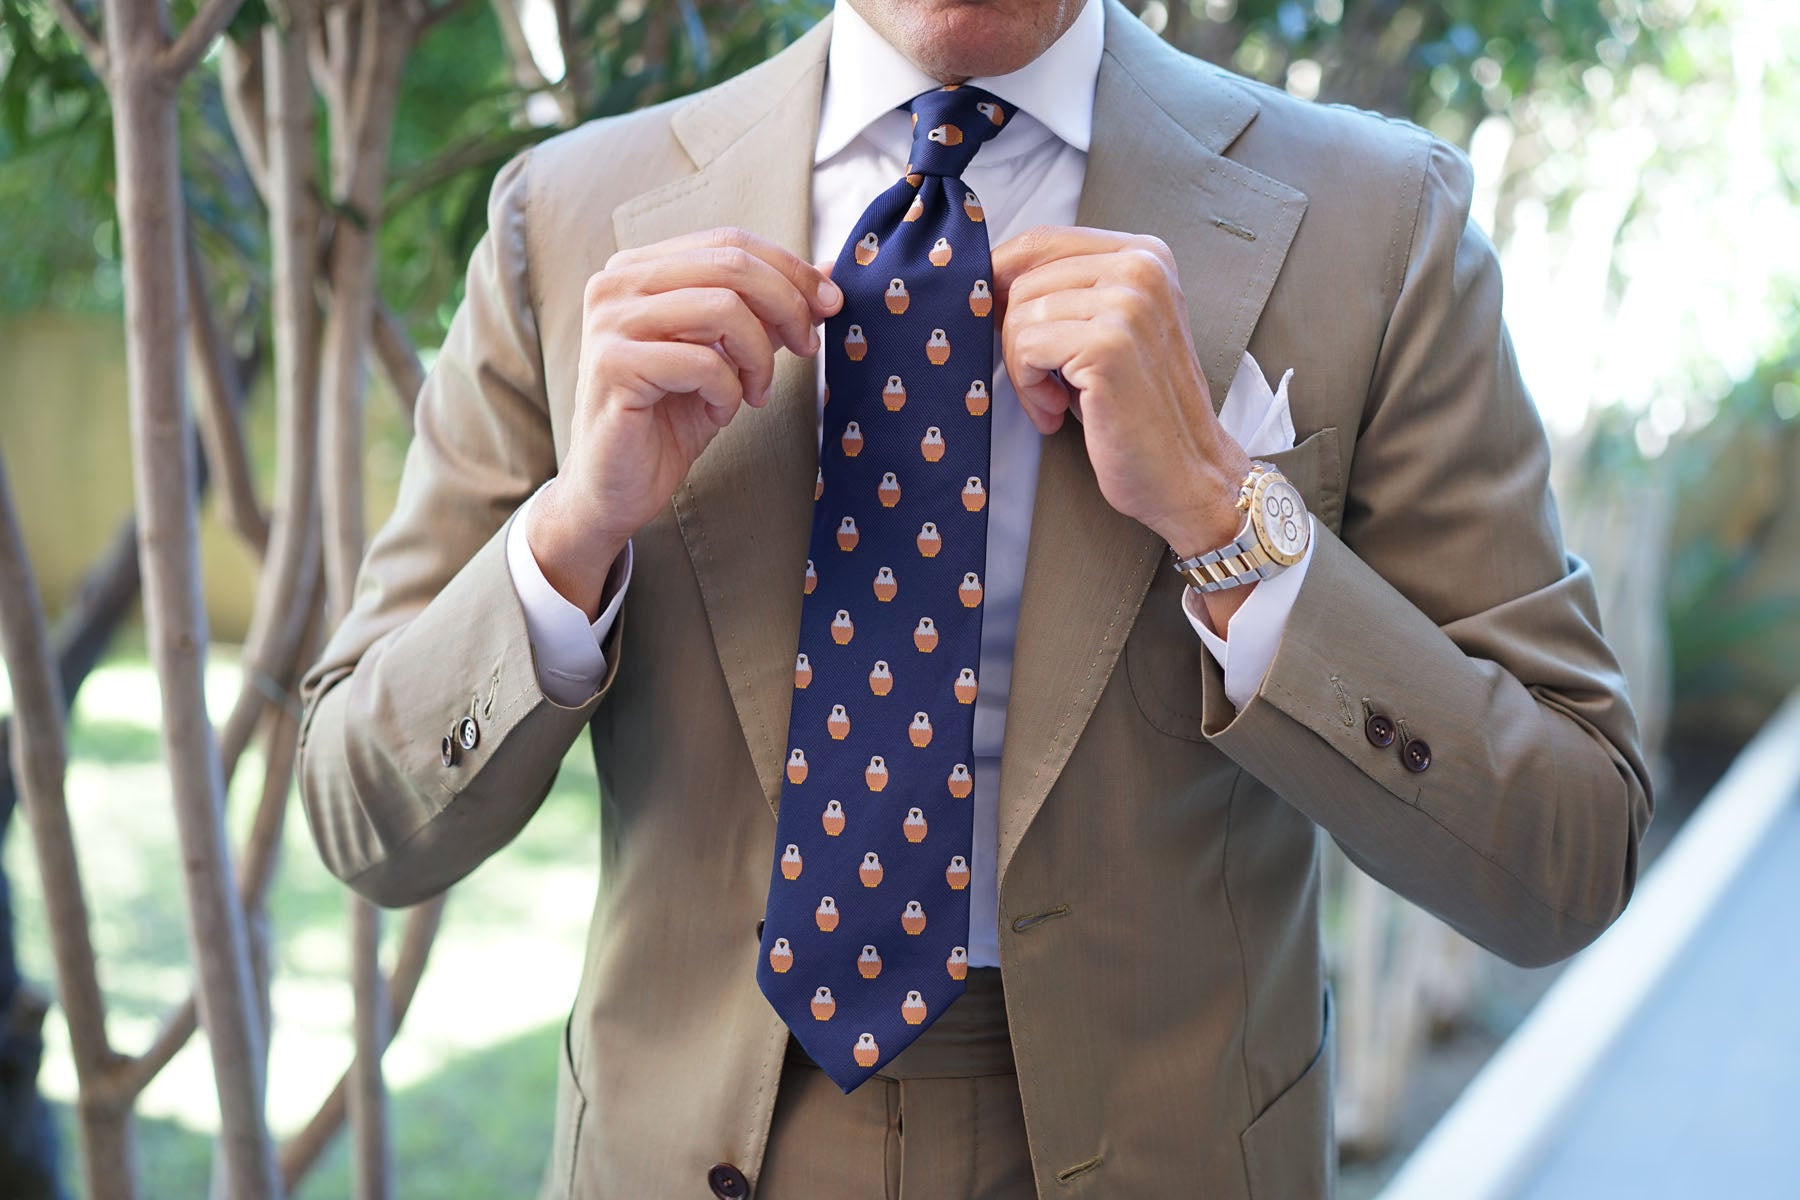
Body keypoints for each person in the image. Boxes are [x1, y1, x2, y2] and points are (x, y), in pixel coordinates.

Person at [298, 0, 1652, 1195]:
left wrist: (1229, 520)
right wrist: (573, 532)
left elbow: (1564, 859)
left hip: (1170, 1147)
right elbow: (367, 822)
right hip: (691, 1146)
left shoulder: (1380, 222)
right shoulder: (570, 216)